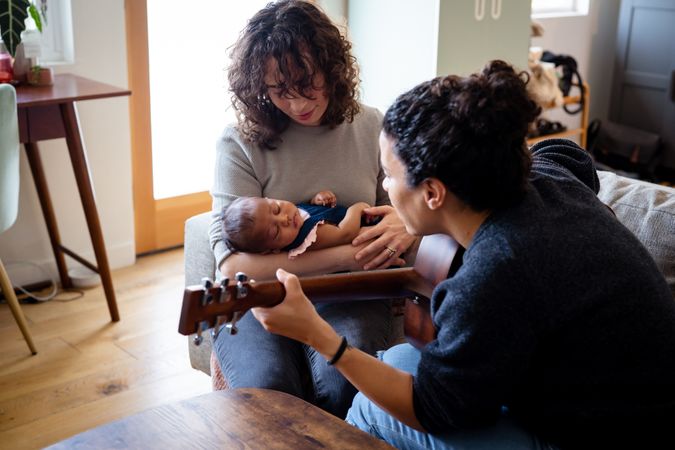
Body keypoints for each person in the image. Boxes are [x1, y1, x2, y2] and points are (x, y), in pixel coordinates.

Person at [251, 60, 675, 449]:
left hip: (602, 437)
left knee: (369, 407)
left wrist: (318, 335)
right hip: (598, 393)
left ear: (433, 192)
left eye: (392, 177)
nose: (386, 190)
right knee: (400, 357)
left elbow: (434, 411)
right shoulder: (546, 181)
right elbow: (570, 154)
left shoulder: (496, 270)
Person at [208, 0, 416, 418]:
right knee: (269, 392)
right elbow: (232, 267)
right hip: (259, 299)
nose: (298, 101)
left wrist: (405, 224)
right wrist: (345, 255)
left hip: (349, 294)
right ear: (259, 88)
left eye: (308, 83)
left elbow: (404, 214)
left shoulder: (372, 126)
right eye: (279, 91)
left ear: (332, 67)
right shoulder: (239, 142)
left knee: (343, 387)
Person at [221, 191, 373, 258]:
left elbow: (309, 212)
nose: (283, 219)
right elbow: (344, 233)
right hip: (373, 241)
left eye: (276, 209)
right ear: (271, 250)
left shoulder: (296, 214)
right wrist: (358, 208)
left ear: (269, 198)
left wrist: (317, 200)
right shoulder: (310, 237)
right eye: (275, 232)